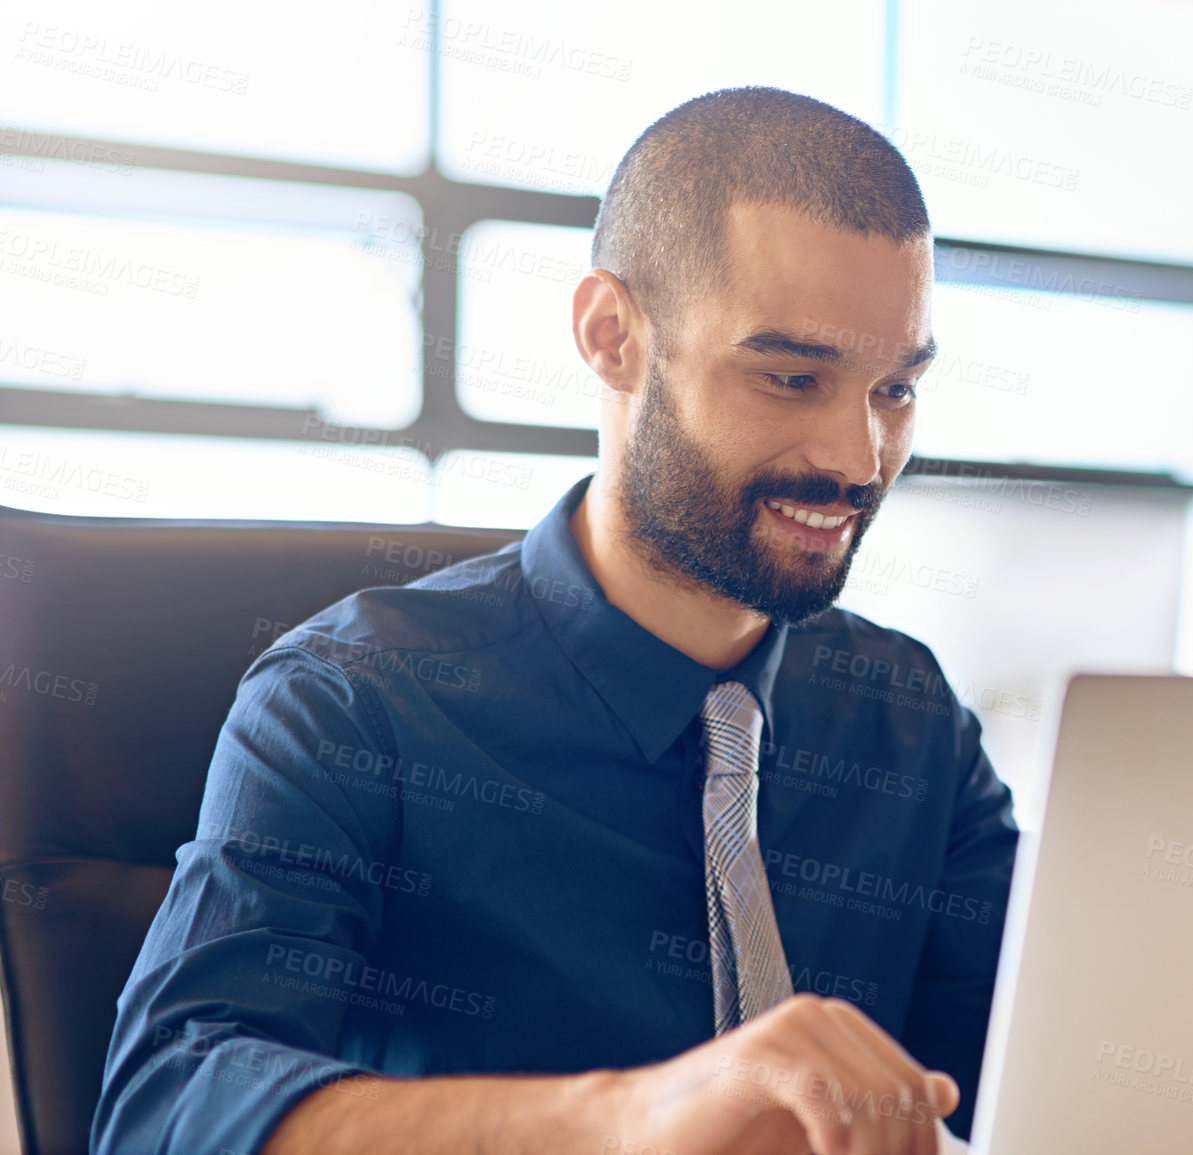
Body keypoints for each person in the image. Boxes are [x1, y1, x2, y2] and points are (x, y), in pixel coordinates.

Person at [91, 86, 1019, 1155]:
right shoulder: (354, 701)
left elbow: (1049, 1067)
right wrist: (630, 1116)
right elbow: (166, 1107)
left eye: (895, 392)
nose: (857, 461)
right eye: (791, 376)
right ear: (612, 335)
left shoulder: (911, 724)